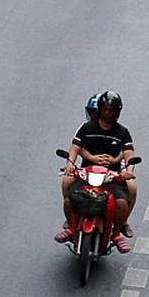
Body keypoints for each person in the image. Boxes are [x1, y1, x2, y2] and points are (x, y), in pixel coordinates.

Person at [55, 91, 138, 254]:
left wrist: (128, 170)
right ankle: (71, 227)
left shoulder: (122, 132)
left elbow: (129, 154)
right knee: (69, 200)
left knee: (121, 203)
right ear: (99, 110)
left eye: (111, 110)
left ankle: (115, 234)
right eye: (105, 109)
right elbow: (75, 148)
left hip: (112, 177)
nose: (107, 113)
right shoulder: (87, 128)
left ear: (117, 112)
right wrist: (69, 165)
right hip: (87, 173)